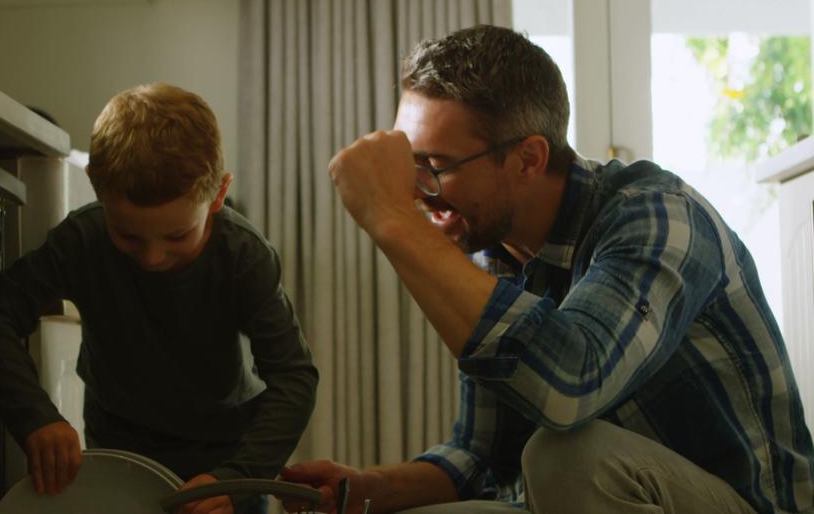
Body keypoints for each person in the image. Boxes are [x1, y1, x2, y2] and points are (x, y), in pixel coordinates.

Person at [279, 25, 814, 513]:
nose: (417, 190)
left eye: (434, 167)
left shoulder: (659, 216)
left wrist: (392, 220)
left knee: (565, 455)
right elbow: (483, 455)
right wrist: (367, 488)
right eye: (406, 162)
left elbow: (571, 389)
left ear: (529, 159)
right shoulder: (494, 253)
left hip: (746, 504)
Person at [0, 82, 319, 514]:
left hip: (227, 459)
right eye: (129, 236)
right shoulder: (82, 239)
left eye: (177, 235)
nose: (153, 257)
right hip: (117, 454)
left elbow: (294, 378)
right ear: (97, 187)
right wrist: (35, 416)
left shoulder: (243, 254)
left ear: (219, 194)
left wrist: (237, 477)